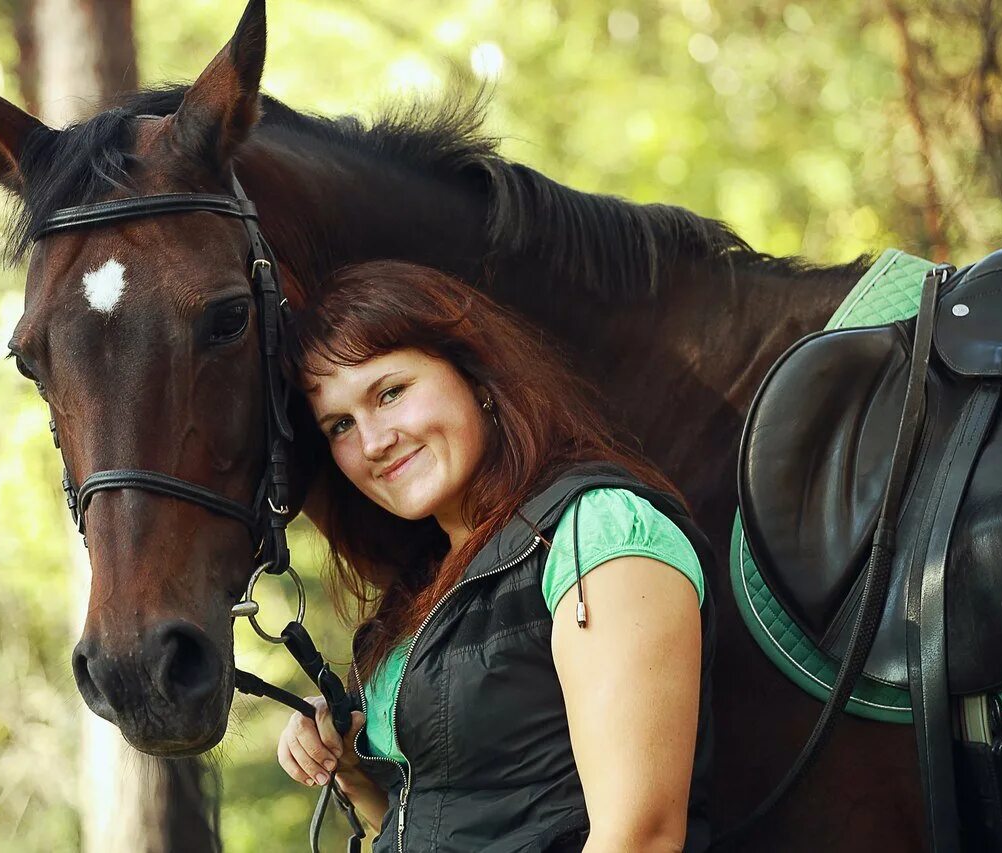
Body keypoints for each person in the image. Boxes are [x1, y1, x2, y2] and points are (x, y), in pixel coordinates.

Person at [275, 260, 714, 853]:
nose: (374, 442)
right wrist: (351, 767)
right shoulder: (419, 592)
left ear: (475, 375)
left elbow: (641, 837)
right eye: (340, 425)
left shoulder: (592, 532)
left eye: (391, 393)